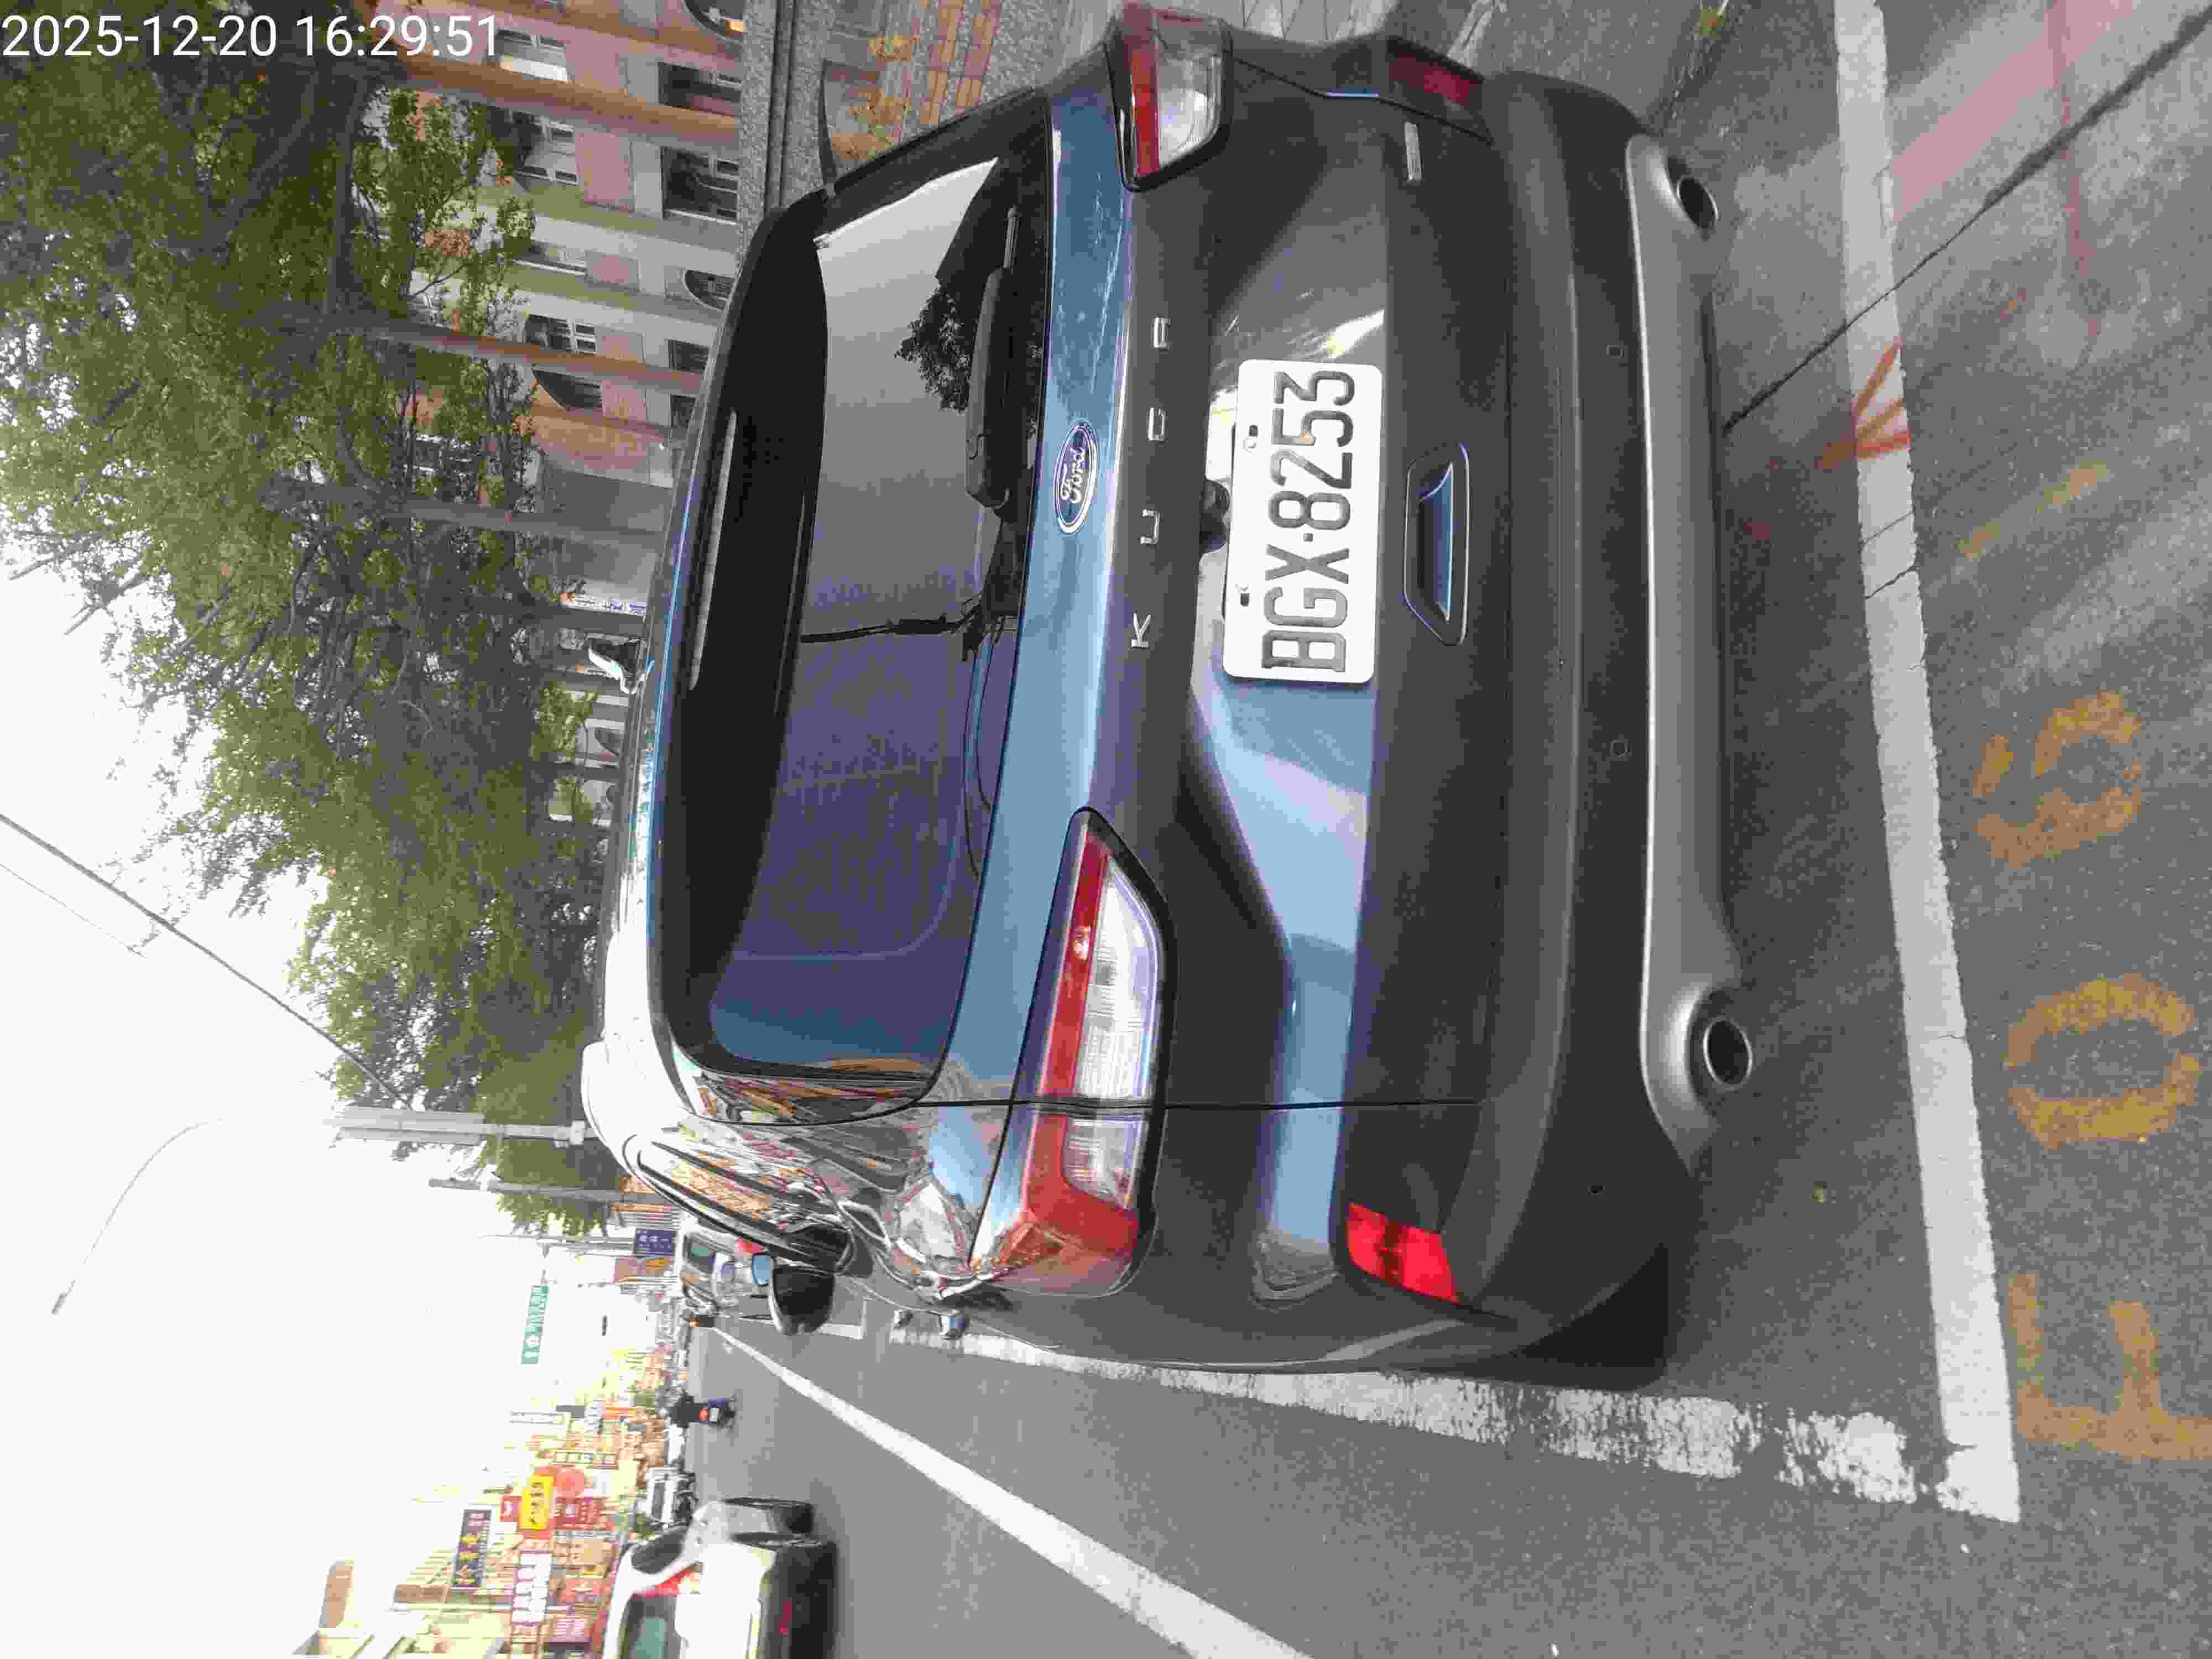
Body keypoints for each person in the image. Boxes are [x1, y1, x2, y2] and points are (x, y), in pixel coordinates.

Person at [664, 1392, 734, 1427]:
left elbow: (685, 1426)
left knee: (710, 1424)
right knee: (712, 1402)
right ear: (669, 1409)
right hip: (703, 1408)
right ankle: (730, 1400)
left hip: (701, 1417)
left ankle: (727, 1425)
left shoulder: (676, 1421)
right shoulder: (677, 1404)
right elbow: (689, 1398)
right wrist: (688, 1398)